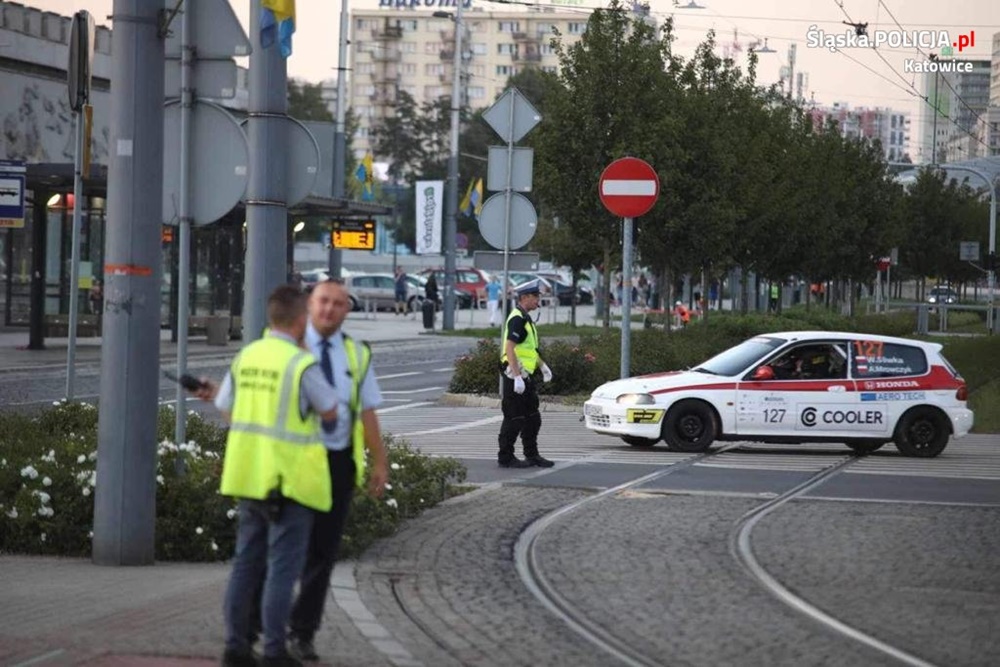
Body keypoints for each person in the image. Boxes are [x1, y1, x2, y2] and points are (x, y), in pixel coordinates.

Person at [192, 285, 340, 667]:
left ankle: (236, 647)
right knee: (281, 569)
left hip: (247, 478)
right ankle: (275, 651)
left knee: (245, 563)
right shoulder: (300, 363)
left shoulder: (247, 356)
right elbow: (330, 412)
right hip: (288, 483)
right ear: (300, 320)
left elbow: (226, 407)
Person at [286, 278, 389, 663]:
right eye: (323, 302)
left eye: (337, 304)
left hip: (336, 464)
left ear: (347, 310)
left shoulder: (356, 354)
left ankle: (302, 632)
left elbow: (367, 409)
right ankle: (259, 623)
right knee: (284, 550)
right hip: (293, 461)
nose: (329, 309)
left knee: (322, 553)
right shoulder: (288, 346)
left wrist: (379, 461)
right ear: (309, 305)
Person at [497, 280, 554, 469]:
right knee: (514, 418)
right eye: (535, 297)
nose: (538, 300)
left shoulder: (526, 318)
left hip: (525, 374)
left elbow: (529, 350)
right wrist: (517, 377)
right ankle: (506, 457)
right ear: (524, 298)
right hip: (514, 375)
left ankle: (532, 455)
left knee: (532, 418)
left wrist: (543, 366)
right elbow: (510, 348)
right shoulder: (517, 319)